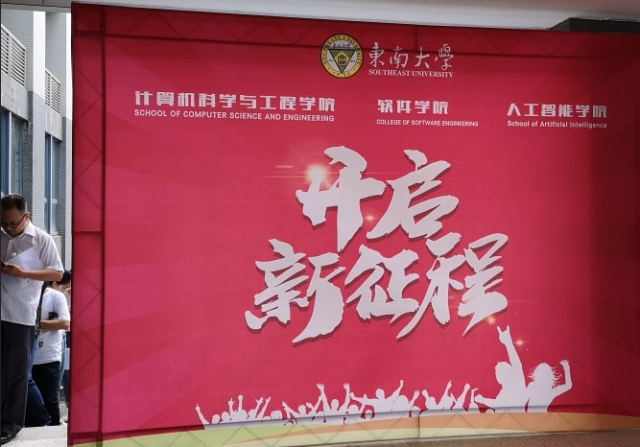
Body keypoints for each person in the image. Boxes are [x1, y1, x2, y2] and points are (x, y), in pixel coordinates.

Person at [1, 194, 64, 445]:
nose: (8, 228)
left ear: (26, 216)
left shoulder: (41, 239)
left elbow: (57, 273)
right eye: (3, 223)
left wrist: (22, 272)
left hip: (21, 314)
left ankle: (11, 423)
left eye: (13, 223)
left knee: (17, 373)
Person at [27, 271, 71, 426]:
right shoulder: (26, 296)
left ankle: (52, 426)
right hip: (28, 356)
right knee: (29, 399)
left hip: (49, 355)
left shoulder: (56, 296)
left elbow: (64, 323)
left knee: (50, 398)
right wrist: (49, 323)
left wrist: (33, 323)